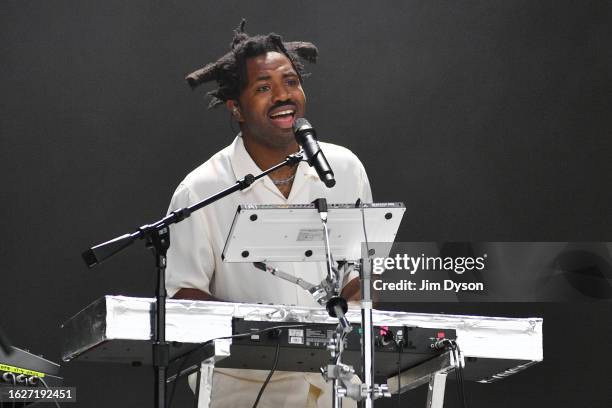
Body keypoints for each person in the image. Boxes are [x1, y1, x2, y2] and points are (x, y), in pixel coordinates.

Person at [165, 21, 372, 408]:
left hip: (334, 390)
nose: (283, 96)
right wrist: (269, 335)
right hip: (243, 393)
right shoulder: (201, 189)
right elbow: (184, 298)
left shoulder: (345, 170)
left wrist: (355, 309)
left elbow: (361, 276)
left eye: (291, 82)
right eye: (263, 88)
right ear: (236, 108)